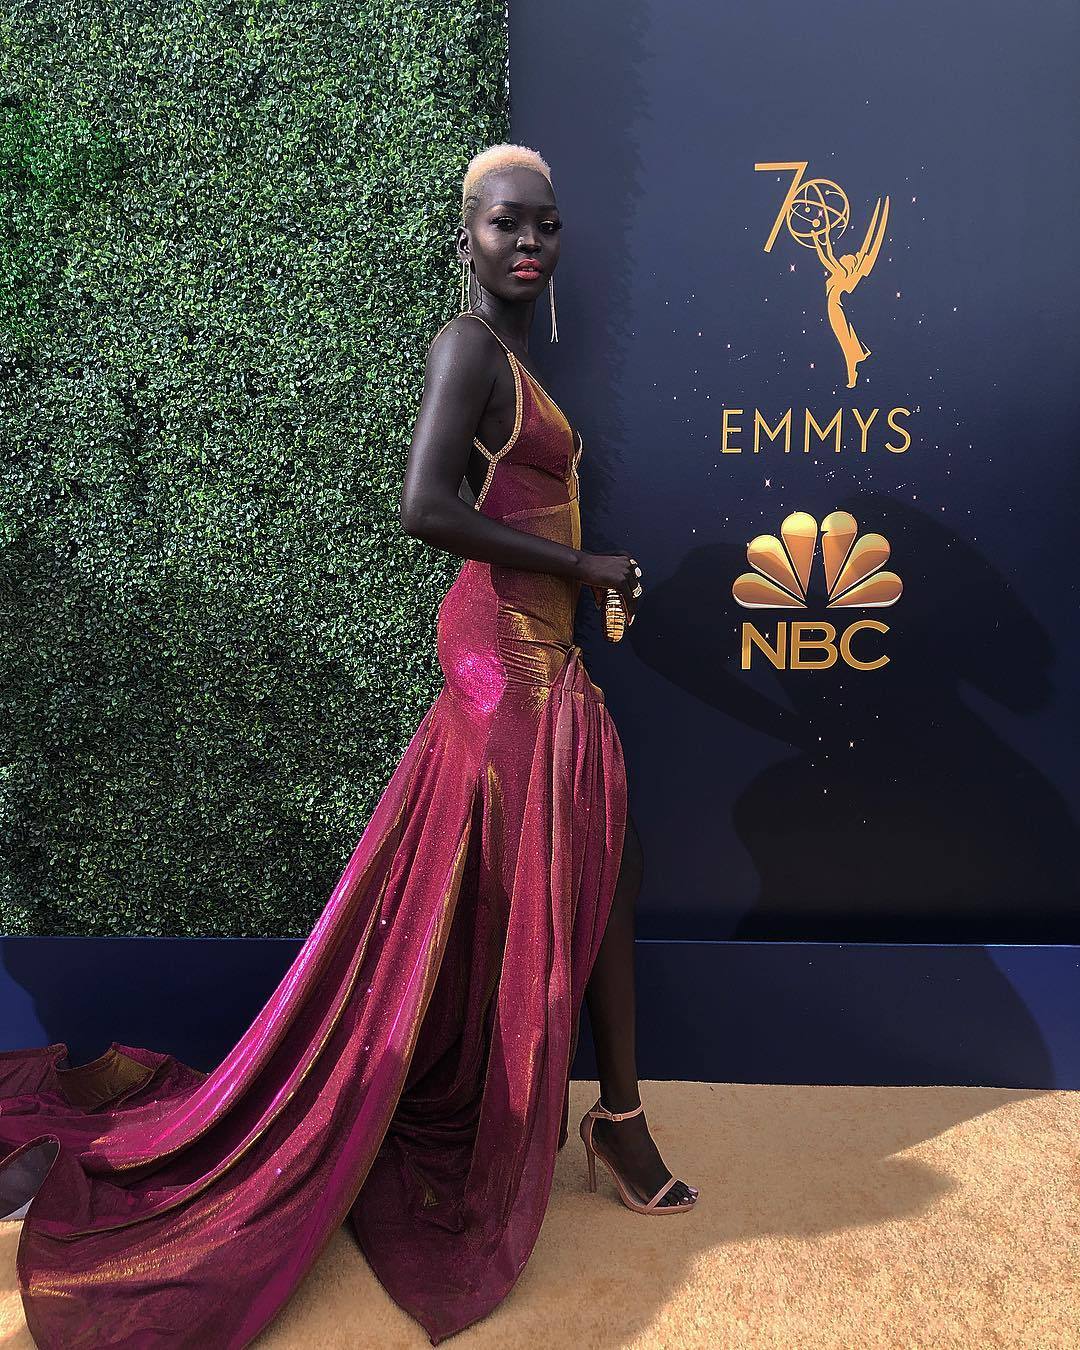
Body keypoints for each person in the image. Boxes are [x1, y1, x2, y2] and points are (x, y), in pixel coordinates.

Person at [0, 142, 696, 1349]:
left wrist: (582, 584)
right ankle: (609, 1124)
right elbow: (424, 506)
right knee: (565, 878)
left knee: (604, 867)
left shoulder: (509, 358)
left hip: (538, 653)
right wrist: (586, 565)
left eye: (545, 224)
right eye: (505, 223)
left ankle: (612, 1118)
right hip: (506, 665)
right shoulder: (467, 348)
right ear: (466, 236)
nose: (529, 242)